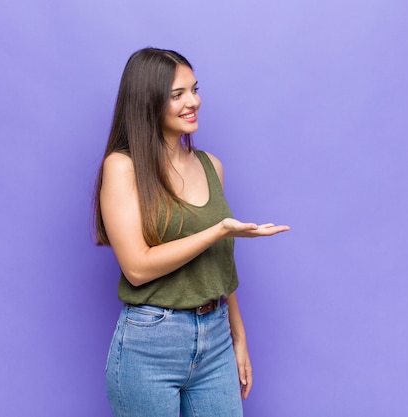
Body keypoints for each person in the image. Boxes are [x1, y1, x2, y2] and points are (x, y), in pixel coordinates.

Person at [93, 47, 289, 417]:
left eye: (195, 90)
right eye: (177, 95)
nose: (193, 101)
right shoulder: (122, 167)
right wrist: (216, 231)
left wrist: (238, 337)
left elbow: (219, 267)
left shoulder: (210, 165)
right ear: (148, 101)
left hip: (214, 337)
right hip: (151, 342)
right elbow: (137, 267)